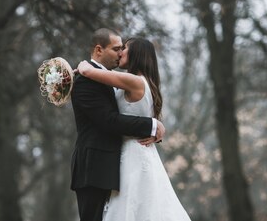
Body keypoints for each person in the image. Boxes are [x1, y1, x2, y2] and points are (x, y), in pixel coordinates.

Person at [77, 37, 192, 221]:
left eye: (125, 48)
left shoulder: (135, 81)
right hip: (139, 151)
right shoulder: (143, 82)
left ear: (137, 53)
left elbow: (90, 72)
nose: (121, 52)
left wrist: (83, 67)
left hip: (132, 154)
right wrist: (153, 128)